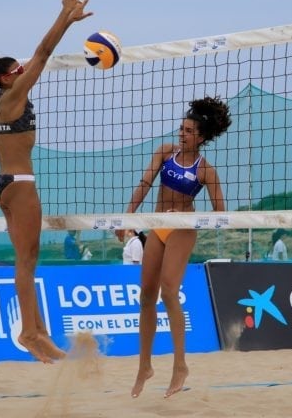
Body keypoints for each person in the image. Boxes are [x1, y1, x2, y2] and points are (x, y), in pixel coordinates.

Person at [0, 0, 92, 363]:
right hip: (20, 185)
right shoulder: (12, 95)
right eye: (17, 70)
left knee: (28, 259)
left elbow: (34, 59)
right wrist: (66, 17)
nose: (24, 71)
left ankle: (38, 332)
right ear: (6, 79)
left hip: (6, 185)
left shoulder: (3, 98)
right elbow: (42, 52)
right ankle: (29, 333)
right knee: (26, 262)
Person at [117, 96, 231, 398]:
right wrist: (126, 217)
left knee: (169, 292)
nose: (182, 134)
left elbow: (221, 212)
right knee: (146, 296)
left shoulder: (206, 170)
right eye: (181, 128)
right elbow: (144, 184)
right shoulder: (165, 153)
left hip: (182, 228)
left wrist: (203, 218)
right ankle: (145, 366)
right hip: (158, 225)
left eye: (189, 131)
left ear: (201, 137)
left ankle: (180, 365)